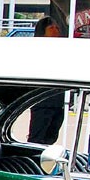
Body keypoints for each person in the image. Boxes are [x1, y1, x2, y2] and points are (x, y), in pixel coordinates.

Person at [26, 15, 66, 144]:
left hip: (59, 100)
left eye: (57, 28)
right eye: (51, 27)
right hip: (42, 100)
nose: (56, 30)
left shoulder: (63, 49)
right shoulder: (36, 49)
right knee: (37, 137)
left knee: (52, 136)